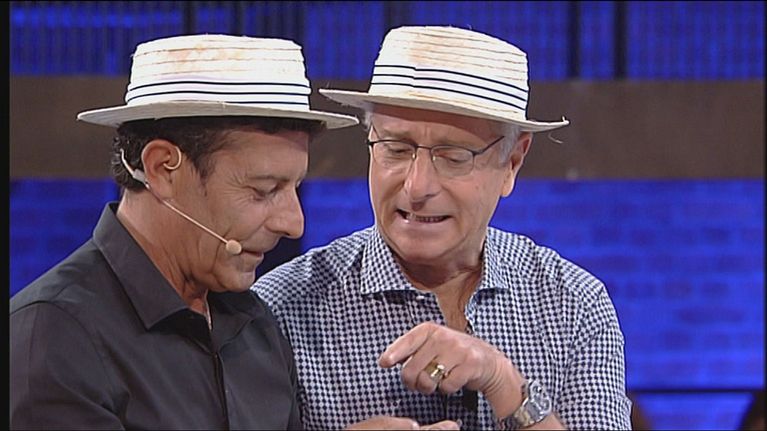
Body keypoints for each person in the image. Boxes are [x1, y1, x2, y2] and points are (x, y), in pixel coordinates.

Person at [254, 26, 632, 430]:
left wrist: (503, 382)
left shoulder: (573, 305)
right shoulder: (282, 309)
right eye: (395, 149)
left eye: (454, 156)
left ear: (512, 163)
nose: (417, 187)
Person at [10, 34, 358, 429]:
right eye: (263, 190)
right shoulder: (54, 337)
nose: (294, 223)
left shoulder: (255, 322)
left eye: (295, 188)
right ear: (162, 168)